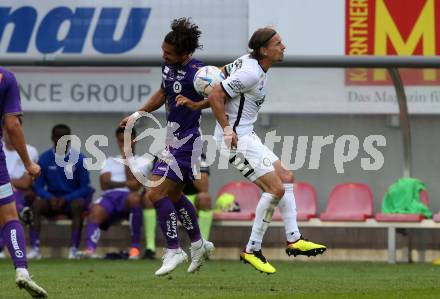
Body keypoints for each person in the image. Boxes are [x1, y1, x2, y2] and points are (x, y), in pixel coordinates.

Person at [208, 27, 326, 274]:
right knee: (276, 188)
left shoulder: (248, 61)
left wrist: (198, 101)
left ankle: (294, 238)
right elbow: (217, 93)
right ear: (263, 50)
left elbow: (218, 79)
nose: (283, 46)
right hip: (235, 140)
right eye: (278, 43)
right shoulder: (251, 72)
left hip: (248, 137)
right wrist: (227, 129)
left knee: (286, 177)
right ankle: (252, 249)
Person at [120, 17, 214, 276]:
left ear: (184, 52)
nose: (164, 55)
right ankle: (197, 243)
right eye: (163, 50)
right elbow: (162, 94)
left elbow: (219, 97)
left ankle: (174, 249)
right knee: (172, 195)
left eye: (168, 53)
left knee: (154, 193)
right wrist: (137, 114)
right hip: (172, 139)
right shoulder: (168, 68)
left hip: (188, 141)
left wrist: (198, 106)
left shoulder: (200, 73)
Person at [0, 67, 47, 297]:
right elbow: (12, 125)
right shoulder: (5, 78)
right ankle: (21, 270)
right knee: (10, 218)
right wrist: (28, 163)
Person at [81, 127, 152, 259]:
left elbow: (135, 186)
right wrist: (126, 183)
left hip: (129, 199)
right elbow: (104, 185)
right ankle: (90, 250)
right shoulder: (109, 161)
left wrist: (126, 159)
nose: (123, 144)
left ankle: (135, 249)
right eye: (120, 141)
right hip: (110, 197)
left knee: (134, 198)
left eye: (126, 141)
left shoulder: (144, 162)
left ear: (134, 141)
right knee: (96, 209)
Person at [31, 124, 92, 259]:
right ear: (52, 137)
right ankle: (35, 249)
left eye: (64, 137)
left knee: (78, 205)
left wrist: (67, 198)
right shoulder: (45, 158)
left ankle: (73, 250)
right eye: (57, 136)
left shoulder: (79, 159)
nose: (60, 139)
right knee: (36, 205)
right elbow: (38, 186)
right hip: (51, 201)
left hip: (70, 202)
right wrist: (48, 197)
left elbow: (85, 188)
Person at [142, 153, 213, 260]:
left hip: (191, 196)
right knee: (148, 198)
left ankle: (201, 247)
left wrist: (187, 166)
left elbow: (204, 187)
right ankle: (151, 248)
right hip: (168, 195)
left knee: (205, 199)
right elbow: (154, 184)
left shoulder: (198, 156)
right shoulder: (163, 155)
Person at [0, 122, 38, 259]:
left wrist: (6, 182)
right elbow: (19, 180)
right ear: (3, 130)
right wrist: (10, 183)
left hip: (19, 193)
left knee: (9, 203)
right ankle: (22, 211)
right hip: (3, 190)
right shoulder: (1, 148)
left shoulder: (30, 151)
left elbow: (26, 182)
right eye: (7, 130)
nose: (10, 133)